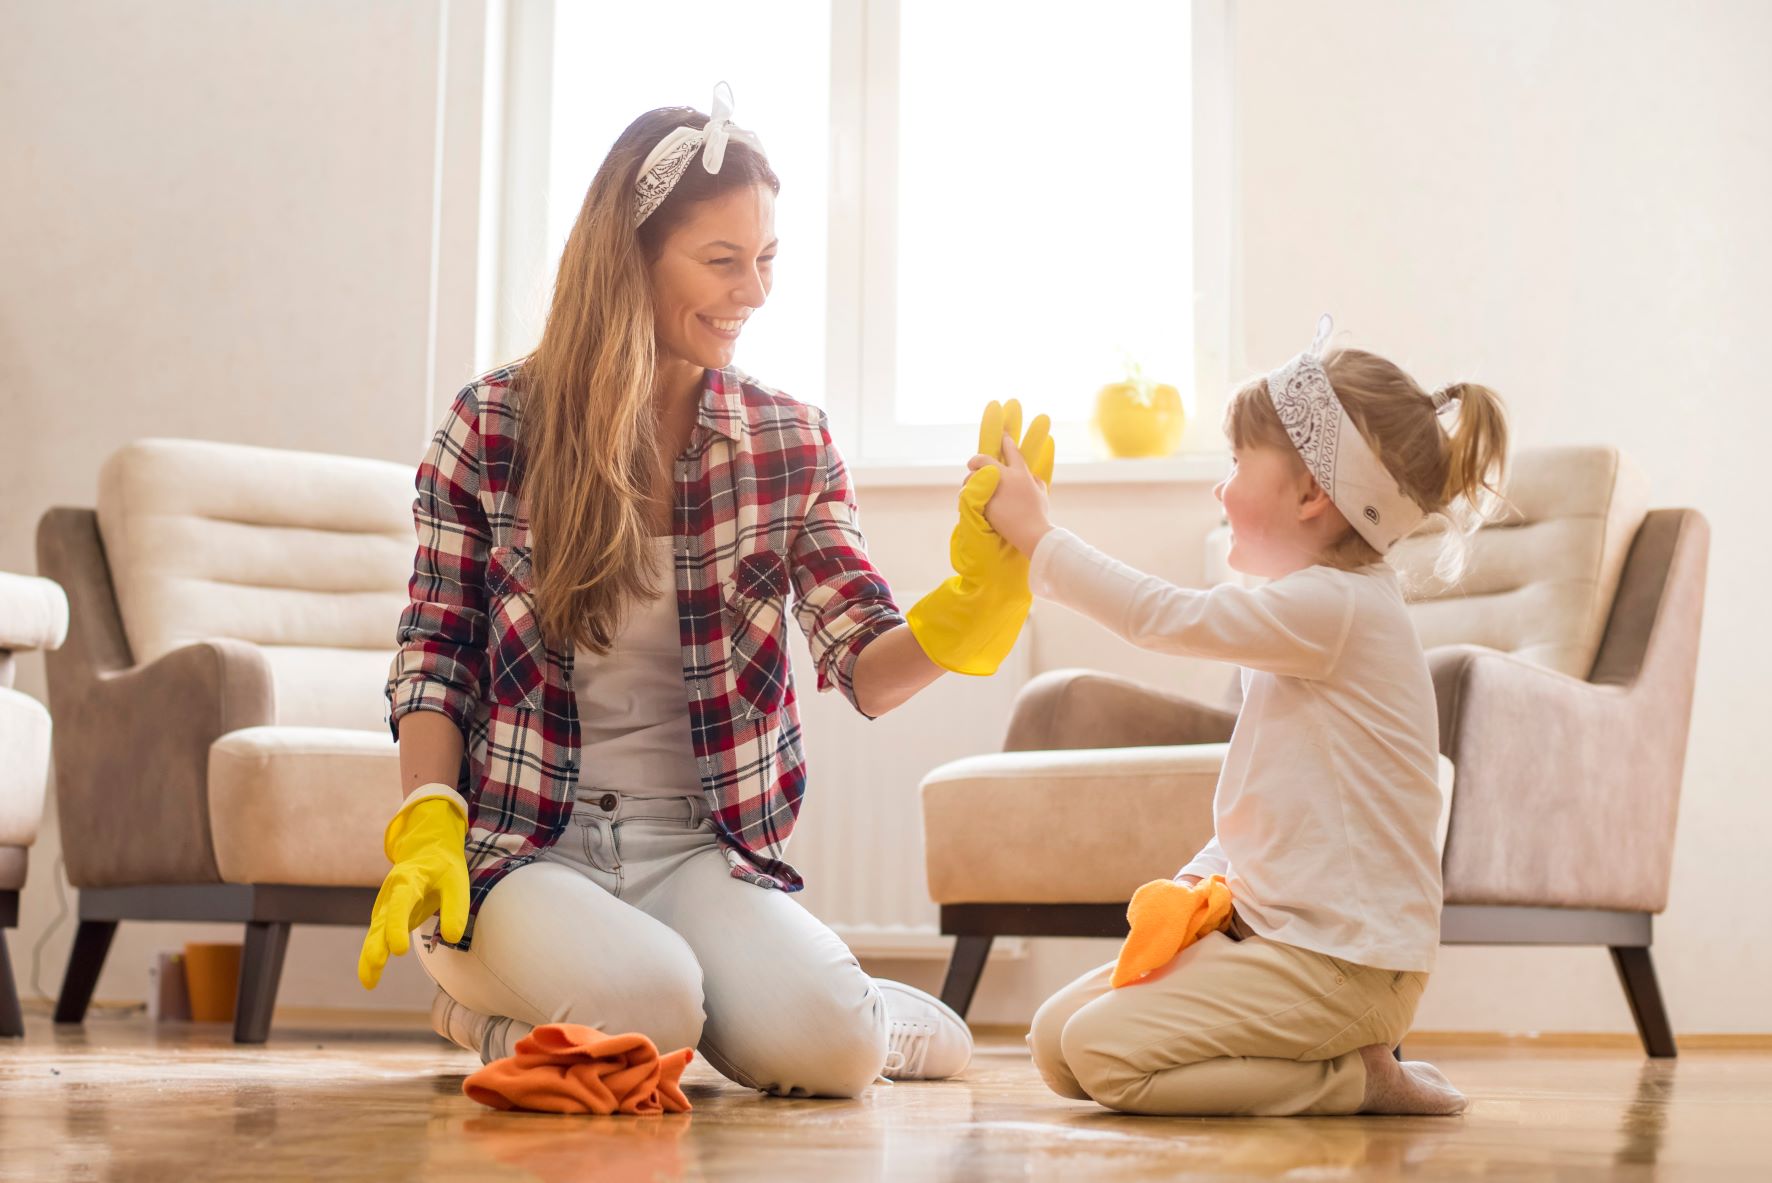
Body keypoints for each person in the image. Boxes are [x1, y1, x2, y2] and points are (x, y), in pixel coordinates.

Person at [357, 87, 1048, 1098]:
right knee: (653, 1005)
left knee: (834, 1055)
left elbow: (866, 662)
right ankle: (482, 1007)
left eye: (766, 259)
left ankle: (831, 1016)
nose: (753, 291)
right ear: (628, 255)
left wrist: (974, 600)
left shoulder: (786, 439)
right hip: (528, 842)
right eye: (722, 262)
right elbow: (435, 650)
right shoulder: (494, 422)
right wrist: (426, 815)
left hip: (695, 846)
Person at [979, 316, 1507, 1116]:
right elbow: (1277, 798)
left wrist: (1039, 539)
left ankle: (1353, 1078)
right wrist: (1200, 883)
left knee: (1101, 1054)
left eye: (1235, 463)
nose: (1220, 488)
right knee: (1058, 1040)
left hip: (1344, 963)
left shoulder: (1338, 607)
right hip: (1276, 938)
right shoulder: (1311, 620)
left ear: (1311, 493)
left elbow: (1167, 616)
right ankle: (1326, 1061)